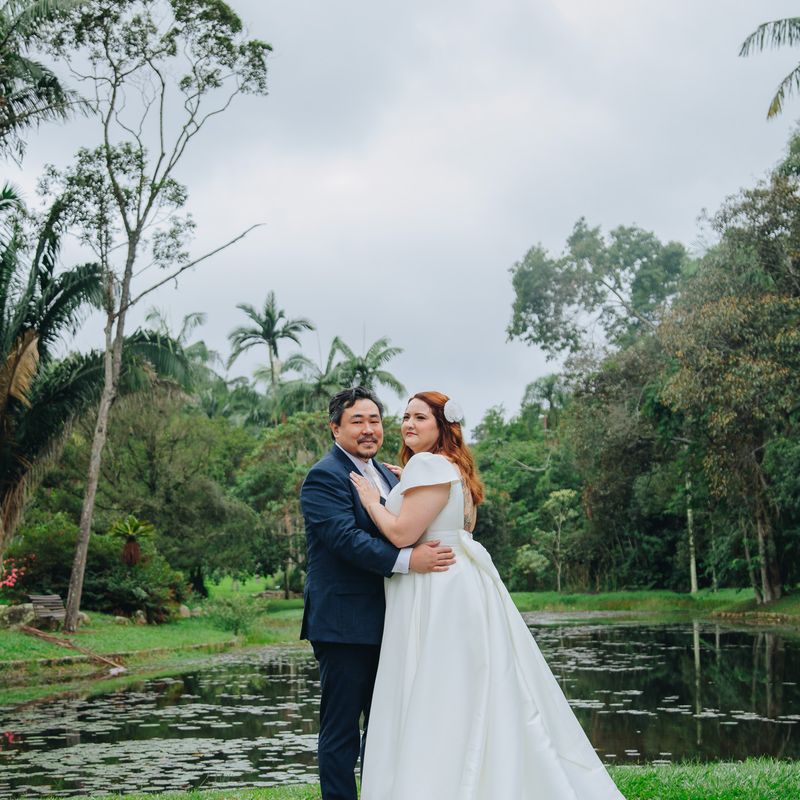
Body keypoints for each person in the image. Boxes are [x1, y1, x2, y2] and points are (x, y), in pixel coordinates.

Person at [350, 391, 626, 800]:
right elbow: (458, 523)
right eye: (406, 416)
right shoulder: (452, 468)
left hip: (434, 588)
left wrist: (375, 501)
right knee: (468, 681)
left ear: (443, 427)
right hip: (460, 584)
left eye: (420, 418)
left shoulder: (427, 465)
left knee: (436, 685)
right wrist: (402, 483)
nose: (408, 424)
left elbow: (402, 533)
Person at [299, 386, 457, 800]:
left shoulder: (388, 474)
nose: (369, 430)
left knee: (387, 725)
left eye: (375, 421)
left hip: (393, 619)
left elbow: (408, 518)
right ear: (335, 428)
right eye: (357, 421)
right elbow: (346, 540)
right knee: (341, 729)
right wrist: (409, 562)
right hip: (344, 624)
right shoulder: (324, 477)